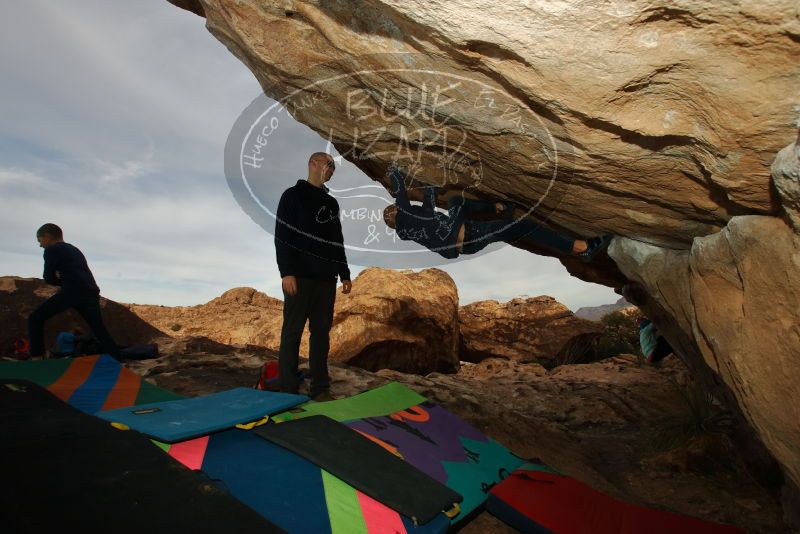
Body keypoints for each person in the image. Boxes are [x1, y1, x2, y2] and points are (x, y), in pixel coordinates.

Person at [383, 167, 612, 260]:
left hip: (465, 242)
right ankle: (580, 248)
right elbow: (400, 190)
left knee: (454, 201)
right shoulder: (404, 214)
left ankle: (499, 208)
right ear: (396, 213)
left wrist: (431, 189)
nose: (400, 206)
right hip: (468, 234)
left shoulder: (413, 226)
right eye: (396, 208)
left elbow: (427, 209)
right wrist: (393, 169)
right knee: (520, 226)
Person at [274, 152, 352, 401]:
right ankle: (287, 388)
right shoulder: (292, 195)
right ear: (313, 164)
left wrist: (345, 273)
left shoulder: (331, 204)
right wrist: (286, 272)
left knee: (321, 334)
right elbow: (282, 235)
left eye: (333, 167)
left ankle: (320, 387)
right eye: (327, 164)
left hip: (326, 280)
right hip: (299, 277)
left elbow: (336, 240)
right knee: (292, 332)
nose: (331, 169)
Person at [28, 224, 118, 358]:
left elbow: (48, 277)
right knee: (98, 328)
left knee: (35, 319)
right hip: (91, 291)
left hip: (72, 291)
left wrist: (59, 280)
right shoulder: (75, 250)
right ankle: (117, 358)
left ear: (47, 236)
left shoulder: (52, 250)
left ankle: (37, 356)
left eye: (39, 240)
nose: (40, 245)